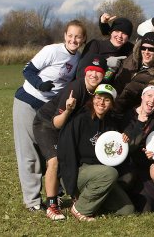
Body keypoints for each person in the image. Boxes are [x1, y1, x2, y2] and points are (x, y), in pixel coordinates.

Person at [13, 20, 87, 212]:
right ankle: (33, 201)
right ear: (64, 36)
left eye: (78, 36)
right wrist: (40, 84)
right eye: (70, 35)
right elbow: (27, 69)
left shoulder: (77, 59)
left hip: (49, 109)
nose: (73, 39)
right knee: (29, 153)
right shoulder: (52, 51)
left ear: (83, 39)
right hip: (28, 101)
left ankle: (57, 194)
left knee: (51, 152)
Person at [32, 55, 107, 220]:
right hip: (47, 124)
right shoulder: (76, 88)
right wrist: (67, 110)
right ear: (85, 72)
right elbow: (56, 123)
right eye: (91, 71)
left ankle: (75, 196)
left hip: (67, 127)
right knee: (54, 161)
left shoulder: (98, 91)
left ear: (104, 75)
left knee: (76, 156)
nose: (94, 75)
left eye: (99, 72)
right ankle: (52, 205)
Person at [57, 84, 135, 221]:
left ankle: (90, 200)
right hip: (77, 171)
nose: (101, 103)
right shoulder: (80, 119)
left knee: (127, 209)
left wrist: (123, 139)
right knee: (110, 173)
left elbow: (114, 154)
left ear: (111, 104)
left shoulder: (111, 125)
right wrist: (70, 186)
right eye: (98, 98)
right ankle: (80, 208)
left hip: (100, 175)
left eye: (107, 100)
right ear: (93, 99)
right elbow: (66, 152)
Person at [118, 82, 154, 212]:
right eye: (149, 96)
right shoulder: (128, 116)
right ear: (142, 96)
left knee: (148, 207)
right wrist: (140, 122)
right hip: (127, 165)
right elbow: (128, 146)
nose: (152, 100)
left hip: (145, 167)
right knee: (127, 180)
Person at [113, 32, 154, 113]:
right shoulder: (130, 59)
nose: (146, 52)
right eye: (143, 48)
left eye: (151, 49)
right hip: (110, 105)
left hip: (128, 115)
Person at [76, 17, 134, 81]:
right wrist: (106, 65)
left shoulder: (130, 50)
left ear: (128, 37)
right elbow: (81, 73)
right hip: (91, 87)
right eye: (117, 31)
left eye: (124, 33)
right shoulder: (95, 45)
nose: (120, 35)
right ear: (111, 32)